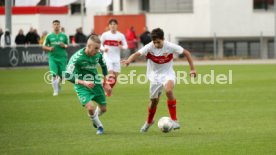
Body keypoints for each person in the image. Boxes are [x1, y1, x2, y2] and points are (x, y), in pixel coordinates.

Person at [122, 28, 197, 133]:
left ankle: (175, 120)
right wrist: (129, 60)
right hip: (154, 77)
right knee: (153, 102)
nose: (156, 44)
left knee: (169, 90)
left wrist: (192, 69)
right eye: (154, 42)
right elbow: (137, 54)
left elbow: (187, 53)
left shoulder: (169, 46)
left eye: (158, 42)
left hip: (168, 74)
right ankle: (149, 122)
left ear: (163, 39)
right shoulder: (149, 47)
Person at [65, 35, 111, 135]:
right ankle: (99, 126)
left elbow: (103, 66)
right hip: (81, 85)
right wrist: (83, 82)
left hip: (95, 83)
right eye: (96, 48)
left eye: (99, 48)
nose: (98, 51)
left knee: (103, 109)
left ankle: (95, 118)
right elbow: (67, 75)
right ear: (89, 46)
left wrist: (106, 82)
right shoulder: (77, 58)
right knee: (90, 108)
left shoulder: (98, 54)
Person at [100, 19, 128, 96]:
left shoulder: (120, 35)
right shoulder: (105, 35)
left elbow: (126, 46)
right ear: (109, 26)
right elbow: (99, 44)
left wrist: (121, 46)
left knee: (115, 77)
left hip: (116, 58)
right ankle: (107, 91)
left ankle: (106, 87)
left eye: (114, 24)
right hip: (107, 57)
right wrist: (103, 49)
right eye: (111, 24)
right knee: (111, 74)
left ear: (117, 26)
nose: (113, 25)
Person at [42, 20, 69, 96]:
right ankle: (55, 91)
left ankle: (57, 85)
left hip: (62, 58)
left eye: (57, 24)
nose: (56, 25)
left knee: (63, 76)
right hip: (52, 58)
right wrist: (49, 48)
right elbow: (43, 46)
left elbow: (68, 45)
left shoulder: (64, 36)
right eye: (55, 24)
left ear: (59, 26)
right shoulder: (49, 36)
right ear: (52, 26)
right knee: (53, 74)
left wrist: (64, 46)